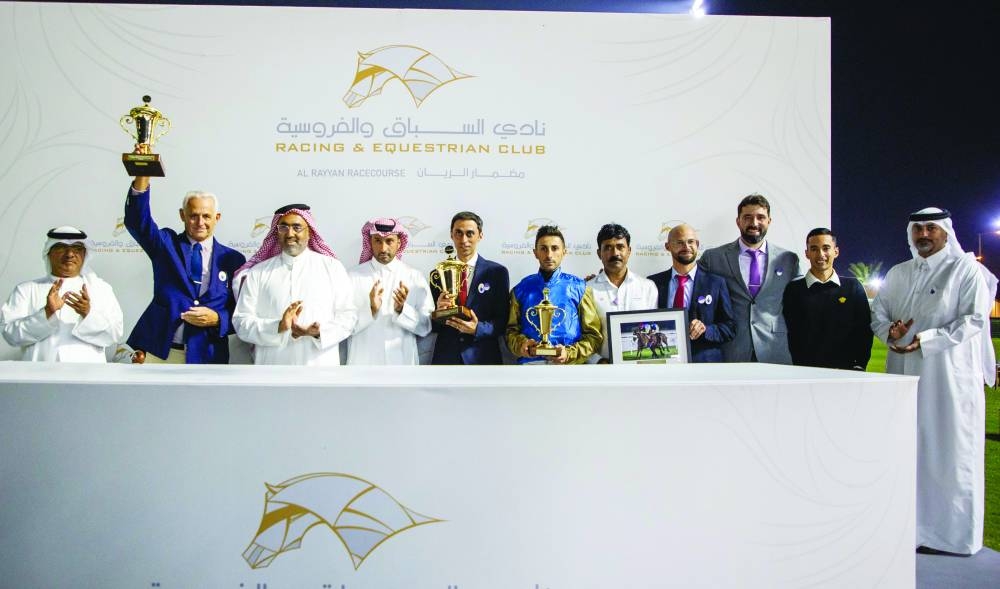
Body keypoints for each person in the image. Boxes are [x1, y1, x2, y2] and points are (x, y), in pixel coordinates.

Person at [871, 207, 997, 555]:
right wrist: (889, 333)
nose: (923, 234)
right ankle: (909, 530)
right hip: (904, 375)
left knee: (950, 453)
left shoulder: (966, 270)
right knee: (907, 450)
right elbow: (879, 313)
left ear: (945, 232)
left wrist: (925, 340)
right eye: (918, 229)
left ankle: (953, 537)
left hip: (949, 380)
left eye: (931, 228)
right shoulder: (899, 273)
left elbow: (973, 318)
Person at [125, 173, 245, 363]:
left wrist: (218, 318)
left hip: (208, 354)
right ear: (182, 215)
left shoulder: (233, 259)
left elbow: (243, 311)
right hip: (162, 352)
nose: (200, 222)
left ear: (217, 217)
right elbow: (137, 223)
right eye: (193, 216)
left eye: (206, 216)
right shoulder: (166, 245)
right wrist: (143, 177)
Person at [232, 204, 357, 365]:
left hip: (319, 369)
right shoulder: (258, 272)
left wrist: (319, 333)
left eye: (297, 227)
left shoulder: (332, 268)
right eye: (283, 227)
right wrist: (278, 327)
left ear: (309, 232)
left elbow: (348, 316)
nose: (290, 234)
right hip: (272, 369)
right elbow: (241, 322)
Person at [699, 194, 799, 363]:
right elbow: (695, 292)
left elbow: (800, 303)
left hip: (775, 349)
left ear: (769, 221)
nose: (754, 223)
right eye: (747, 217)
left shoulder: (789, 259)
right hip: (731, 348)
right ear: (738, 221)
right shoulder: (713, 258)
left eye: (760, 217)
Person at [1, 226, 123, 362]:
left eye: (77, 248)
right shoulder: (26, 290)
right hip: (40, 378)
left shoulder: (101, 289)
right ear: (48, 253)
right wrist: (46, 313)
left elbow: (114, 334)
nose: (70, 254)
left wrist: (88, 313)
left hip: (88, 377)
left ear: (84, 254)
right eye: (61, 247)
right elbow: (10, 336)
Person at [505, 225, 602, 364]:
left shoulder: (579, 288)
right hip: (529, 367)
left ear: (564, 252)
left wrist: (569, 353)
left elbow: (594, 336)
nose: (549, 255)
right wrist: (522, 345)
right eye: (543, 248)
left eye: (555, 248)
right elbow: (510, 332)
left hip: (569, 368)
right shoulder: (521, 289)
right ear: (535, 252)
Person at [346, 217, 434, 365]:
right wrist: (371, 310)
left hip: (402, 365)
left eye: (389, 241)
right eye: (377, 241)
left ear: (399, 243)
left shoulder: (414, 277)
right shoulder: (352, 277)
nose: (383, 248)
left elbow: (425, 328)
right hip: (363, 364)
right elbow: (343, 326)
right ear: (370, 242)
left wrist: (402, 310)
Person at [782, 228, 872, 370]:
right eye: (814, 249)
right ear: (807, 253)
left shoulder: (853, 287)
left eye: (826, 248)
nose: (821, 254)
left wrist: (859, 364)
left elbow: (864, 330)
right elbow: (790, 333)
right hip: (804, 373)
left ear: (836, 251)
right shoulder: (794, 290)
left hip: (845, 373)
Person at [430, 211, 510, 365]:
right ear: (451, 235)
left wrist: (477, 329)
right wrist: (438, 312)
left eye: (470, 233)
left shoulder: (497, 273)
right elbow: (432, 326)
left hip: (483, 357)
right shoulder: (438, 273)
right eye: (458, 233)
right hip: (446, 358)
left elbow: (503, 321)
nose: (464, 240)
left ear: (480, 235)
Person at [648, 223, 735, 363]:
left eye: (691, 242)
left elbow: (729, 328)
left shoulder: (716, 283)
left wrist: (706, 329)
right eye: (679, 242)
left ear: (698, 244)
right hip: (665, 363)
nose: (686, 247)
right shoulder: (653, 283)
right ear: (667, 246)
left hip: (705, 365)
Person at [585, 223, 658, 363]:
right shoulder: (587, 289)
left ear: (629, 251)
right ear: (599, 253)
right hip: (601, 372)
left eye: (620, 247)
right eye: (608, 247)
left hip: (641, 368)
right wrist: (597, 361)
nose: (615, 253)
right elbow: (583, 335)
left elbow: (651, 331)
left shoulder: (647, 287)